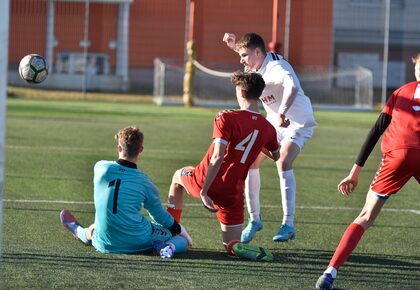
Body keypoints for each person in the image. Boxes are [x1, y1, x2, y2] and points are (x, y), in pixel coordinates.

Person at [315, 54, 420, 290]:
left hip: (397, 155)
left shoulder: (401, 91)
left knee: (365, 217)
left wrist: (355, 171)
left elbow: (377, 130)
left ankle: (330, 272)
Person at [166, 71, 280, 259]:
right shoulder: (268, 128)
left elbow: (217, 157)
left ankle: (171, 230)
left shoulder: (226, 118)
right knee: (231, 244)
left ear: (241, 92)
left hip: (204, 180)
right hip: (232, 191)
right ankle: (236, 247)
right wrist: (262, 140)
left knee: (178, 177)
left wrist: (204, 191)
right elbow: (277, 156)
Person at [223, 32, 317, 243]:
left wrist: (283, 111)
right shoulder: (255, 65)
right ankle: (255, 220)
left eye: (244, 55)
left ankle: (288, 224)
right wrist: (234, 46)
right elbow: (246, 52)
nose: (241, 61)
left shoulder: (277, 68)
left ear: (258, 52)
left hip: (297, 122)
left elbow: (292, 86)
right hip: (275, 123)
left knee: (283, 161)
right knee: (250, 162)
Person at [60, 126, 192, 259]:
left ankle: (79, 231)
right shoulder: (144, 182)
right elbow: (158, 216)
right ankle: (168, 247)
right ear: (141, 150)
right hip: (137, 240)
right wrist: (179, 228)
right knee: (178, 238)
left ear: (119, 148)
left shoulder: (100, 167)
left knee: (95, 229)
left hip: (104, 242)